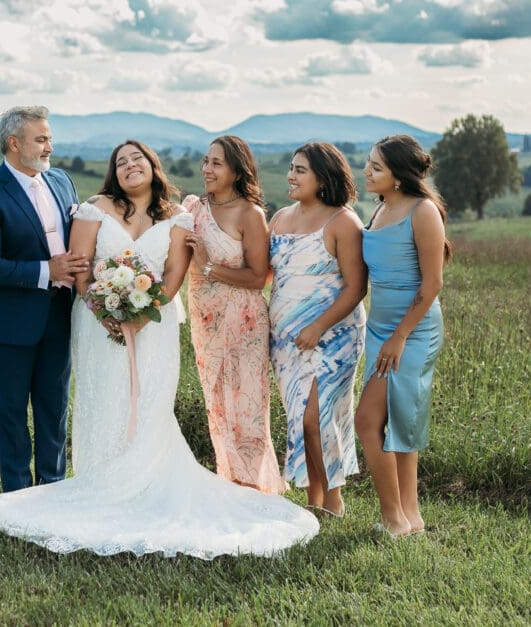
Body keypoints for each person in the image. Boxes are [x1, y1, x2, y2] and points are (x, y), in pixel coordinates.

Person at [0, 141, 318, 559]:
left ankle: (148, 482)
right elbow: (81, 268)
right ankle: (98, 480)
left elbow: (175, 273)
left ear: (152, 166)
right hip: (97, 325)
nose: (129, 166)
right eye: (120, 162)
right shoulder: (93, 209)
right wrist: (102, 308)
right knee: (106, 400)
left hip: (155, 327)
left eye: (136, 158)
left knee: (151, 406)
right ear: (114, 173)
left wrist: (147, 310)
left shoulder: (178, 216)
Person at [0, 106, 89, 493]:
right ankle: (17, 495)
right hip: (8, 323)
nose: (50, 146)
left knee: (54, 410)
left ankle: (52, 489)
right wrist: (48, 270)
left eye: (49, 137)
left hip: (59, 316)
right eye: (41, 139)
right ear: (14, 143)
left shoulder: (62, 181)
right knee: (12, 414)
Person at [355, 134, 451, 538]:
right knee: (399, 421)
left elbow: (432, 285)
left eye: (377, 166)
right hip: (379, 328)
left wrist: (399, 337)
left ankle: (393, 518)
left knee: (367, 421)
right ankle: (410, 516)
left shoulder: (423, 211)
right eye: (369, 163)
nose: (368, 171)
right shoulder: (378, 211)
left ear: (398, 175)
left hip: (413, 330)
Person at [182, 136, 287, 494]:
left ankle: (253, 488)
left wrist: (208, 267)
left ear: (237, 171)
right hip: (205, 322)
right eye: (206, 161)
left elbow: (258, 278)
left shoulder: (250, 214)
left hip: (243, 323)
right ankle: (229, 483)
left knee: (246, 407)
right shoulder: (193, 209)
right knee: (217, 406)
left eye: (217, 164)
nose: (207, 170)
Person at [268, 142, 367, 518]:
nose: (291, 176)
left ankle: (333, 500)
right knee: (301, 418)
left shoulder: (344, 221)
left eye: (300, 170)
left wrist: (317, 326)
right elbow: (263, 273)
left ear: (323, 177)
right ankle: (315, 498)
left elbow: (356, 287)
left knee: (318, 417)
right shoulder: (279, 218)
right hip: (285, 341)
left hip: (333, 337)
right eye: (291, 168)